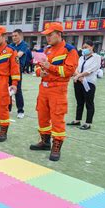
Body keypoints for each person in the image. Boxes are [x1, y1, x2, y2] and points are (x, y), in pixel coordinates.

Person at [30, 22, 79, 161]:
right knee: (42, 116)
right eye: (46, 36)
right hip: (44, 88)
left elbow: (68, 71)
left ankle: (56, 146)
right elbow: (37, 68)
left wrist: (50, 67)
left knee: (57, 119)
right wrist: (40, 72)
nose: (48, 38)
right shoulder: (47, 50)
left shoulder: (70, 50)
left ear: (59, 34)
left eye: (50, 35)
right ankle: (45, 142)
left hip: (58, 89)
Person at [67, 40, 100, 131]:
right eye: (83, 47)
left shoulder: (96, 57)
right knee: (79, 102)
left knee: (89, 103)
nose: (84, 49)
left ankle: (88, 123)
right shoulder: (81, 58)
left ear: (92, 47)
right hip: (78, 81)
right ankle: (77, 120)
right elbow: (75, 68)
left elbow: (91, 70)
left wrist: (79, 75)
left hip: (89, 82)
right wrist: (78, 76)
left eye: (86, 47)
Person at [9, 29, 32, 119]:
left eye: (16, 36)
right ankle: (8, 109)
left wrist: (9, 56)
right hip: (9, 70)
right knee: (9, 89)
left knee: (17, 90)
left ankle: (20, 110)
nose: (14, 37)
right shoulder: (11, 45)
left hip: (17, 70)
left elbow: (18, 55)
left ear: (21, 36)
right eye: (13, 36)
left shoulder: (24, 45)